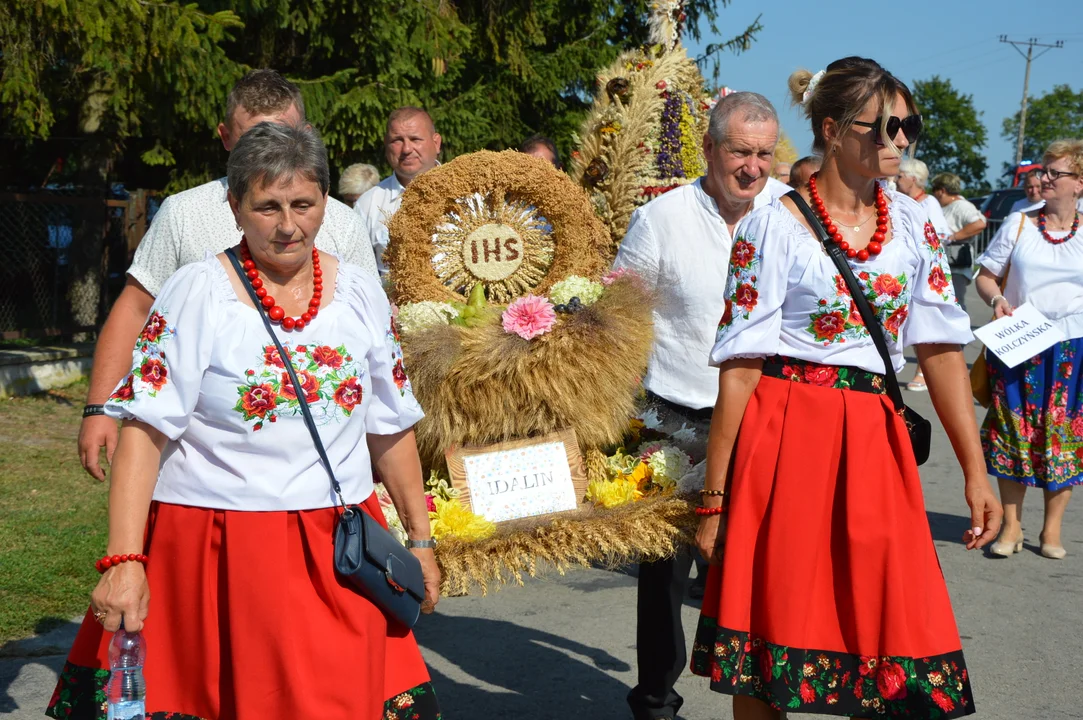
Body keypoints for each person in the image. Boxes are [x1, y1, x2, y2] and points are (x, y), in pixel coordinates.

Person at [47, 123, 441, 719]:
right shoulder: (196, 292)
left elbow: (389, 425)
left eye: (303, 205)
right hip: (218, 549)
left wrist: (419, 538)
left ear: (325, 206)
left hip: (341, 549)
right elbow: (145, 434)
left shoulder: (361, 293)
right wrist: (124, 560)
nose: (288, 225)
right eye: (267, 206)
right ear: (235, 207)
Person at [690, 57, 1002, 719]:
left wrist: (974, 471)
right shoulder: (771, 225)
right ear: (831, 130)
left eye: (907, 128)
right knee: (768, 655)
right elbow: (741, 368)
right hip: (783, 439)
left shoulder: (917, 226)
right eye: (881, 128)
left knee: (897, 640)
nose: (898, 142)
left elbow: (942, 351)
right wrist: (714, 498)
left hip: (873, 440)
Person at [77, 69, 379, 481]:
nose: (269, 150)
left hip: (322, 468)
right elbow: (134, 308)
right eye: (253, 138)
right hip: (208, 471)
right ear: (225, 138)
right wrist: (98, 408)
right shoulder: (184, 212)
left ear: (306, 135)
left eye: (282, 134)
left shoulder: (341, 223)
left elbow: (375, 333)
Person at [613, 91, 790, 720]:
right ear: (709, 149)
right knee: (664, 571)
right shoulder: (661, 218)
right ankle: (657, 700)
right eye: (741, 151)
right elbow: (620, 313)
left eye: (765, 154)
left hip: (766, 416)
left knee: (758, 565)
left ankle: (758, 693)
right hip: (675, 416)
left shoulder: (790, 215)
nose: (753, 167)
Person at [976, 139, 1083, 560]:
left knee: (1063, 435)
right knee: (1012, 429)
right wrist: (996, 301)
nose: (1046, 179)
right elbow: (986, 275)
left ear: (1080, 184)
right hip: (1020, 342)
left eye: (1057, 173)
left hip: (1072, 349)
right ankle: (1012, 524)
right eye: (1045, 171)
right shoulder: (1019, 223)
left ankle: (1051, 530)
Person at [355, 106, 442, 275]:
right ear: (386, 145)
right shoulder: (367, 205)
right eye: (397, 140)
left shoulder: (468, 197)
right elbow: (357, 274)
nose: (406, 149)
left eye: (415, 139)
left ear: (436, 143)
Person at [897, 157, 951, 391]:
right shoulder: (896, 199)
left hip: (924, 273)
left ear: (913, 179)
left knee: (922, 321)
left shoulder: (928, 203)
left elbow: (941, 234)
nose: (896, 179)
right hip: (902, 271)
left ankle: (923, 372)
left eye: (900, 176)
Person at [931, 172, 986, 312]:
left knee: (956, 302)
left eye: (934, 190)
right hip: (948, 263)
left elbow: (979, 223)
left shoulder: (961, 206)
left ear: (942, 191)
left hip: (956, 263)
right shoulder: (949, 206)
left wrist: (953, 237)